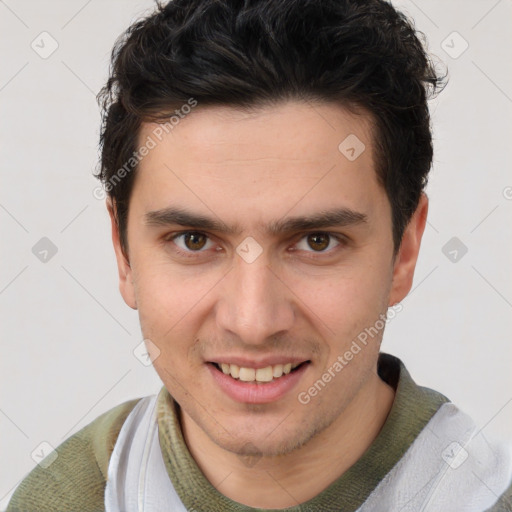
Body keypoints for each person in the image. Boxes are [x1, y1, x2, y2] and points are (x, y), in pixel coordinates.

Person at [7, 0, 512, 510]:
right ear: (123, 253)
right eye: (194, 241)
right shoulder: (63, 499)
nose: (253, 322)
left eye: (317, 241)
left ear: (404, 249)